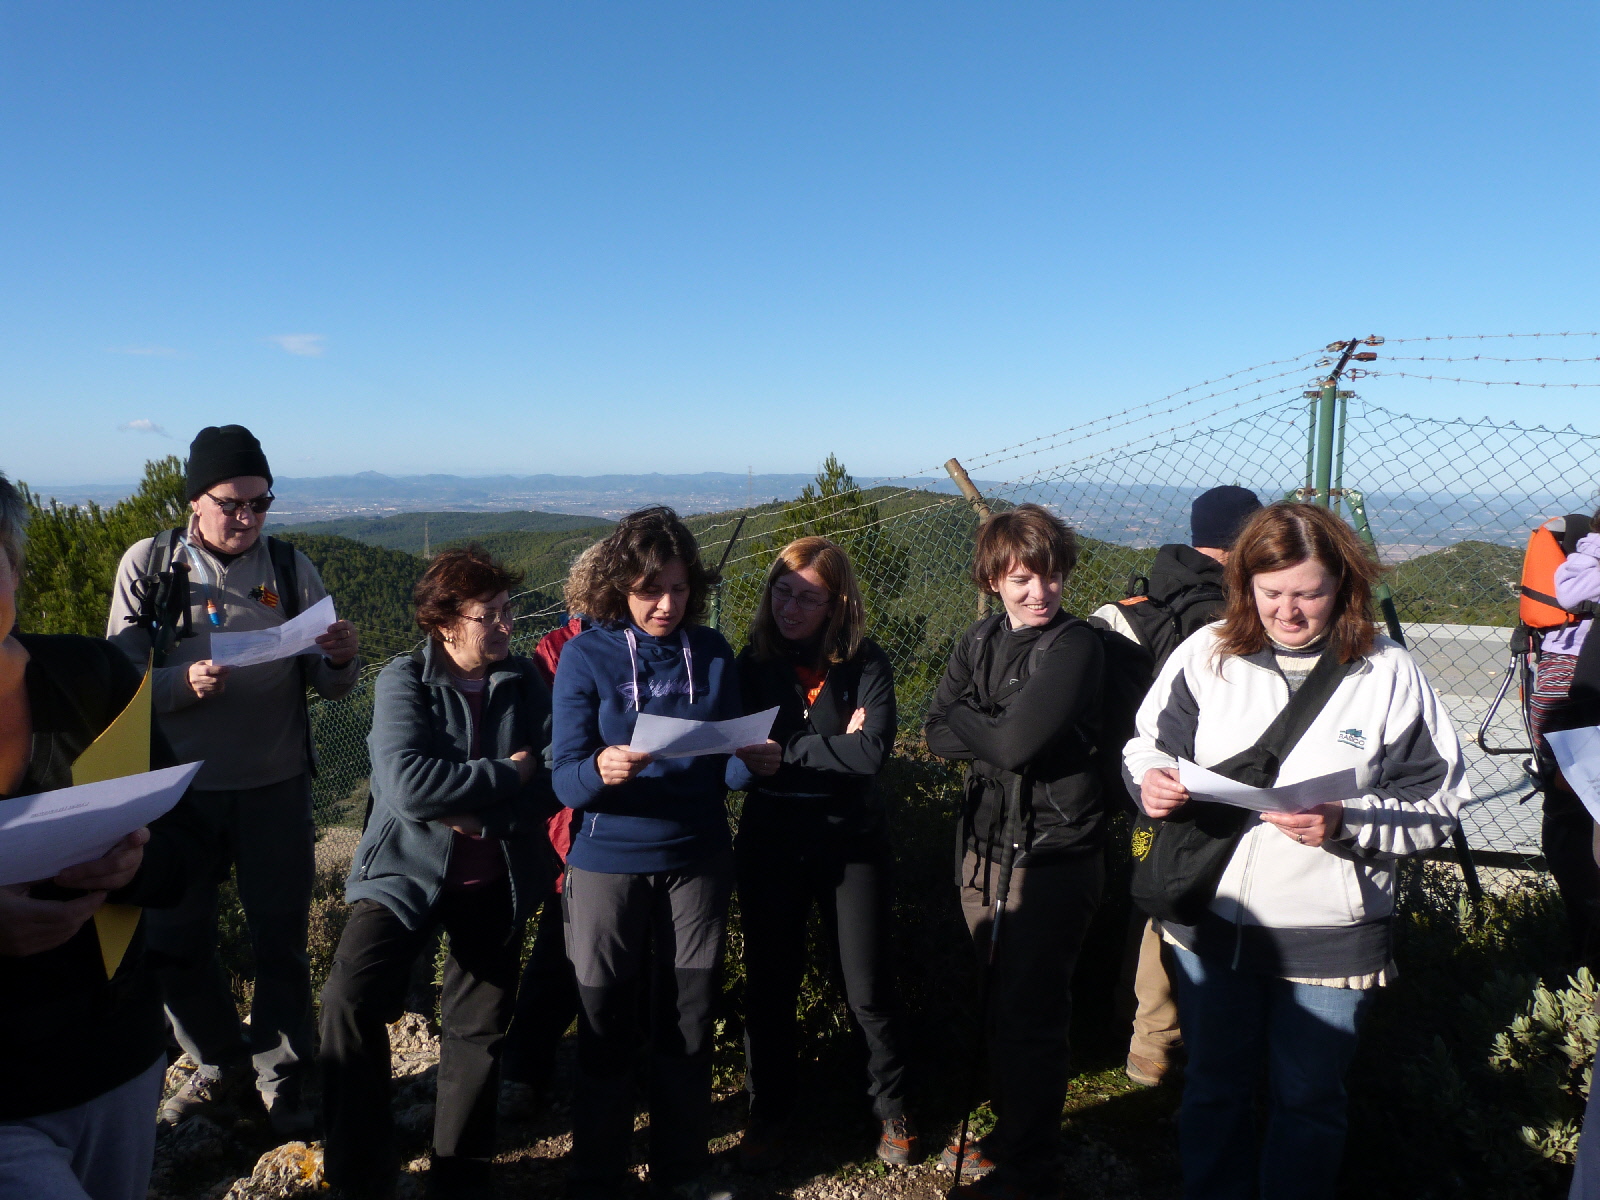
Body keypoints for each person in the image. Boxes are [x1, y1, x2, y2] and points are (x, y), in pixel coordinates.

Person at [1124, 501, 1469, 1200]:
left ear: (1343, 586)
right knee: (1213, 1087)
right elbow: (1148, 745)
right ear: (1243, 583)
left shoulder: (1388, 673)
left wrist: (1347, 820)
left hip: (1331, 936)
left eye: (1309, 593)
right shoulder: (1207, 654)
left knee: (1309, 1101)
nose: (1287, 611)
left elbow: (1439, 803)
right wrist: (1151, 783)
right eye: (1270, 592)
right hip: (1211, 920)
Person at [105, 424, 362, 1136]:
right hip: (176, 790)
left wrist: (340, 659)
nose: (247, 517)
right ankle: (220, 1064)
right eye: (232, 503)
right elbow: (117, 679)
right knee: (176, 939)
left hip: (274, 784)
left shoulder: (289, 567)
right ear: (195, 500)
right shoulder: (149, 564)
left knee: (280, 939)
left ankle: (284, 1077)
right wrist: (179, 685)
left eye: (260, 502)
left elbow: (329, 685)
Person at [551, 506, 779, 1200]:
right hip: (607, 860)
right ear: (620, 586)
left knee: (689, 1013)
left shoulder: (711, 653)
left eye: (679, 589)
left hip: (697, 857)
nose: (666, 605)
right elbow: (564, 779)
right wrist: (601, 770)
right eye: (651, 590)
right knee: (604, 1018)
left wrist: (752, 764)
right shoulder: (586, 655)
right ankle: (598, 1173)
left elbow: (725, 770)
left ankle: (682, 1170)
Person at [318, 547, 557, 1200]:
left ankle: (461, 1179)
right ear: (445, 623)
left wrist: (480, 817)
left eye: (508, 610)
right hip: (404, 874)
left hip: (496, 877)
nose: (506, 625)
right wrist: (509, 773)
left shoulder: (525, 680)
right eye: (490, 615)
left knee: (478, 1032)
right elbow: (408, 786)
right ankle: (360, 1174)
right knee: (348, 1003)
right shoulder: (405, 679)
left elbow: (554, 778)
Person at [0, 471, 211, 1200]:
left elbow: (190, 847)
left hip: (113, 1062)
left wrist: (132, 869)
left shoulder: (91, 679)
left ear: (14, 569)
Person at [925, 503, 1107, 1200]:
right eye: (1023, 578)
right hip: (984, 847)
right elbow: (934, 732)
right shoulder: (980, 638)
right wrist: (990, 727)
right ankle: (1009, 1133)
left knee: (1031, 1012)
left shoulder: (1075, 647)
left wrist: (975, 718)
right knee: (998, 999)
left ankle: (1030, 1162)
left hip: (1052, 853)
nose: (1040, 592)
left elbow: (1009, 744)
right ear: (993, 579)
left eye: (1051, 576)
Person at [734, 536, 915, 1171]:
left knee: (867, 984)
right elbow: (744, 760)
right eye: (782, 592)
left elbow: (871, 754)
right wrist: (836, 746)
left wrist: (786, 752)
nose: (790, 608)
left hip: (851, 843)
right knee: (770, 985)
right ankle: (768, 1110)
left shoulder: (865, 661)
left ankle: (892, 1108)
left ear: (837, 603)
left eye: (807, 598)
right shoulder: (751, 664)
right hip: (772, 843)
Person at [1090, 485, 1262, 1089]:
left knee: (1153, 895)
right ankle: (1168, 1038)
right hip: (1217, 787)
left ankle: (1139, 1029)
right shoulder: (1241, 614)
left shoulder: (1138, 601)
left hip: (1136, 780)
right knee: (1193, 903)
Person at [499, 543, 602, 1118]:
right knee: (560, 949)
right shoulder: (557, 651)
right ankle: (523, 1067)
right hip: (572, 822)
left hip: (617, 819)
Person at [1532, 509, 1600, 966]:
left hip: (1574, 674)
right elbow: (1571, 592)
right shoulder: (1590, 551)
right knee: (1570, 793)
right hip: (1571, 675)